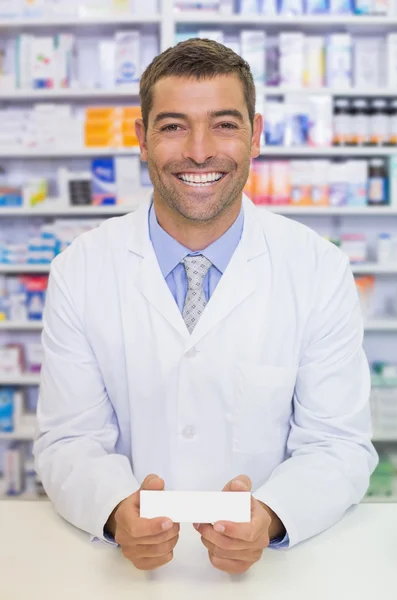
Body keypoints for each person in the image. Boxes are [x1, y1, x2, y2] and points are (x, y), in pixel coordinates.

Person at [33, 38, 378, 575]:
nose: (199, 150)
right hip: (123, 574)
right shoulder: (80, 269)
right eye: (172, 126)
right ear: (141, 140)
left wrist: (273, 515)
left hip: (274, 575)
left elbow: (338, 444)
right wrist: (113, 509)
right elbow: (69, 439)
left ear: (256, 136)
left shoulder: (316, 268)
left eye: (224, 124)